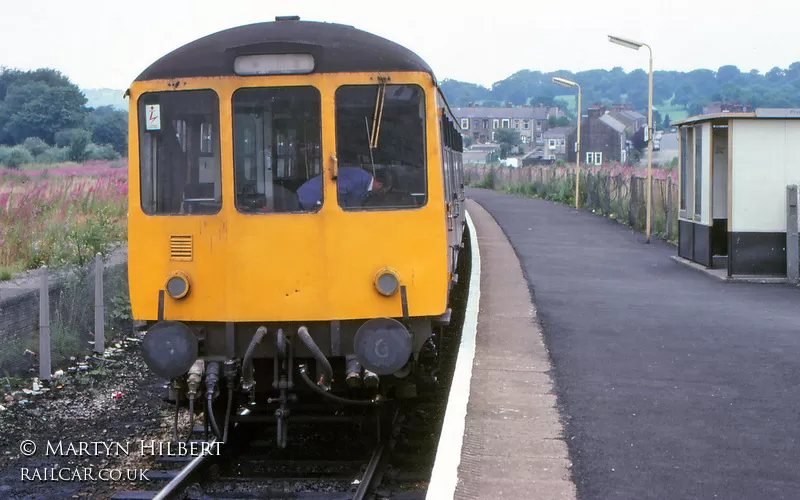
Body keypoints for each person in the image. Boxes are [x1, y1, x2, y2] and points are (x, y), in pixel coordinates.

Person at [296, 167, 390, 210]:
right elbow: (333, 189)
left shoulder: (364, 182)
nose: (382, 194)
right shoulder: (357, 179)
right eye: (384, 191)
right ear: (380, 185)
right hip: (308, 198)